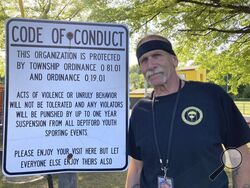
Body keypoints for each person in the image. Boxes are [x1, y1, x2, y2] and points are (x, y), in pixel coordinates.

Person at [126, 34, 250, 188]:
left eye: (157, 55)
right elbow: (136, 167)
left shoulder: (212, 96)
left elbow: (239, 155)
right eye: (144, 60)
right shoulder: (139, 111)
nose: (151, 65)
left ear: (174, 60)